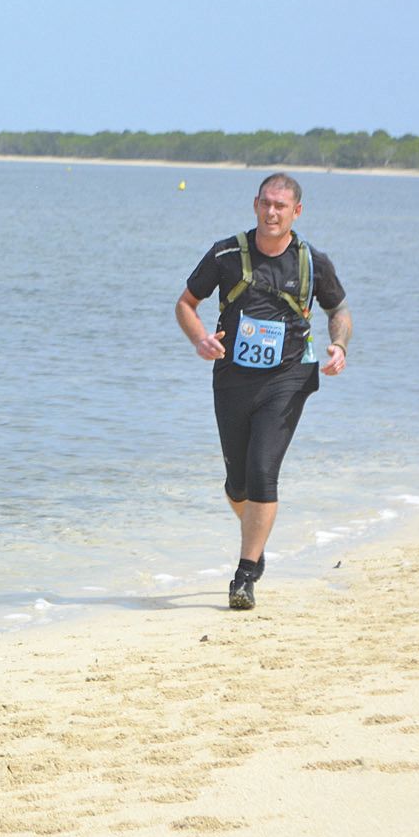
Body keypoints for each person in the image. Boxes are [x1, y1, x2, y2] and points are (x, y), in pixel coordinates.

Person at [175, 172, 351, 610]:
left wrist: (339, 344)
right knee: (237, 486)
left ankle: (244, 574)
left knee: (262, 471)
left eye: (281, 206)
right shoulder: (226, 254)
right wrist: (199, 339)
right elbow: (186, 304)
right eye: (266, 204)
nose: (272, 213)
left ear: (296, 211)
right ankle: (258, 536)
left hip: (288, 378)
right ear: (256, 204)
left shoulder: (312, 262)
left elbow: (340, 310)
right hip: (232, 378)